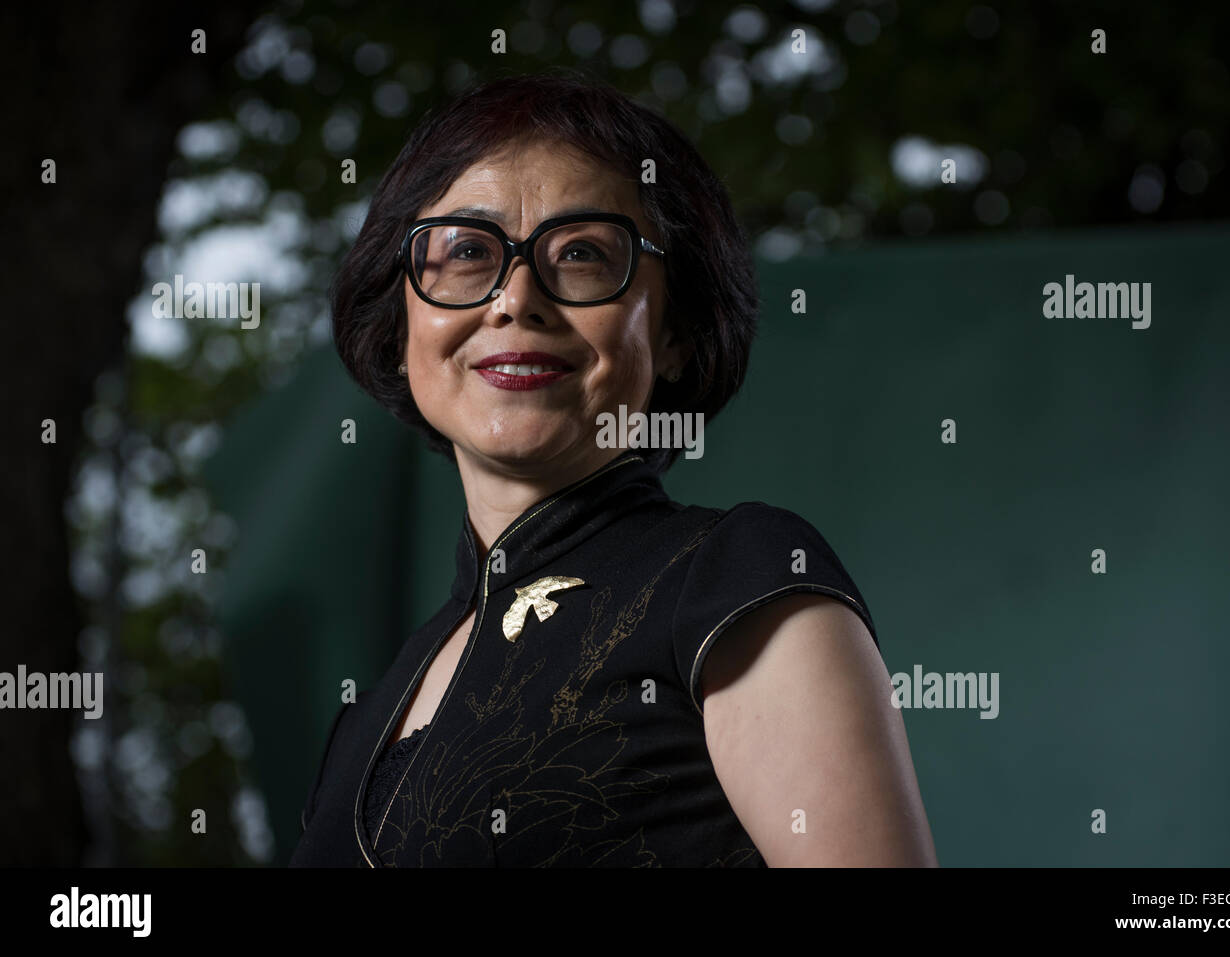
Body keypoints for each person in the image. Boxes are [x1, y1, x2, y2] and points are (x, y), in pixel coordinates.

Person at [290, 69, 937, 868]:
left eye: (585, 253)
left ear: (674, 333)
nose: (515, 298)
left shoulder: (741, 580)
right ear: (401, 326)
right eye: (466, 251)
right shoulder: (368, 712)